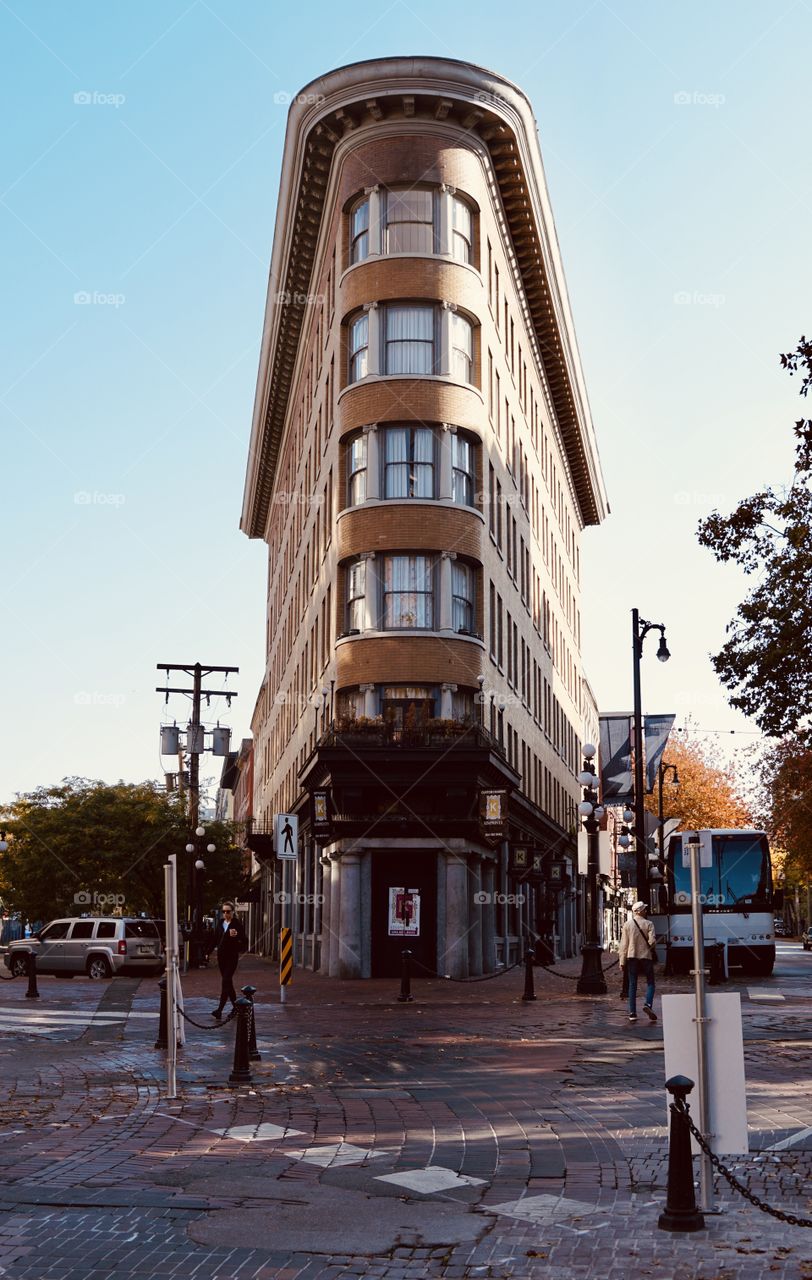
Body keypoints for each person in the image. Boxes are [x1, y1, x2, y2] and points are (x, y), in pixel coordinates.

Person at [619, 901, 657, 1024]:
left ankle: (632, 1013)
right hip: (646, 957)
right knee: (650, 982)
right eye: (644, 909)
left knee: (632, 985)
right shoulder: (649, 924)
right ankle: (648, 1004)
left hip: (632, 957)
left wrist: (622, 961)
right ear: (640, 911)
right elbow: (652, 942)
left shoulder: (627, 925)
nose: (646, 911)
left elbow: (623, 945)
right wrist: (651, 945)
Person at [208, 901, 248, 1018]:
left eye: (228, 911)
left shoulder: (237, 924)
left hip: (232, 957)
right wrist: (207, 953)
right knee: (228, 983)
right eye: (224, 911)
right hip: (221, 957)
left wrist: (236, 938)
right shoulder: (220, 923)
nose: (226, 914)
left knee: (225, 980)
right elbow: (215, 939)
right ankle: (236, 1008)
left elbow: (244, 941)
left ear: (233, 912)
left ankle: (219, 1010)